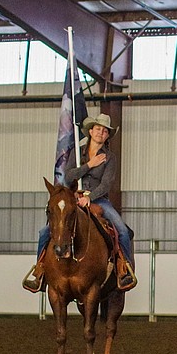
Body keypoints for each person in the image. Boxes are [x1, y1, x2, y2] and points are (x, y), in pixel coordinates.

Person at [23, 113, 136, 292]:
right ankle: (40, 270)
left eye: (105, 131)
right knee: (45, 231)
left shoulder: (110, 158)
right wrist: (89, 165)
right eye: (98, 129)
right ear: (91, 131)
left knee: (122, 231)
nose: (101, 133)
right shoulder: (77, 152)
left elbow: (106, 184)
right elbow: (68, 176)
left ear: (107, 136)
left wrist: (89, 198)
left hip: (99, 200)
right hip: (75, 197)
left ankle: (124, 270)